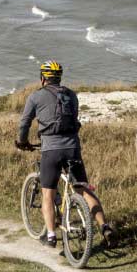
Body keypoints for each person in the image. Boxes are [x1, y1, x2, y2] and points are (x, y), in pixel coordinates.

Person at [15, 60, 115, 248]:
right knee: (83, 189)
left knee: (48, 195)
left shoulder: (35, 97)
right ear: (59, 77)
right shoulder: (71, 95)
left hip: (51, 150)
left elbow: (24, 123)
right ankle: (104, 226)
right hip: (72, 148)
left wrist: (22, 142)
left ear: (43, 78)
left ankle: (51, 235)